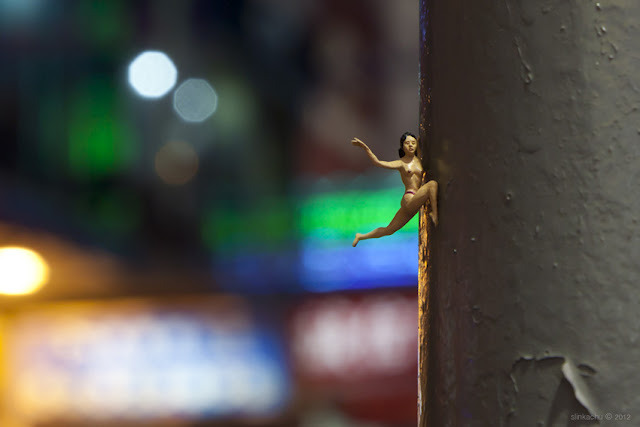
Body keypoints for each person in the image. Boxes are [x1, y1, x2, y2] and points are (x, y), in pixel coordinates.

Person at [351, 132, 438, 247]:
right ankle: (435, 214)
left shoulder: (418, 160)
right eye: (407, 143)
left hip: (415, 199)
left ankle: (361, 236)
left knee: (389, 230)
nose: (411, 145)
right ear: (403, 146)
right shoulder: (401, 163)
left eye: (413, 143)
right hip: (410, 197)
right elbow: (378, 162)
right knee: (432, 184)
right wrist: (365, 148)